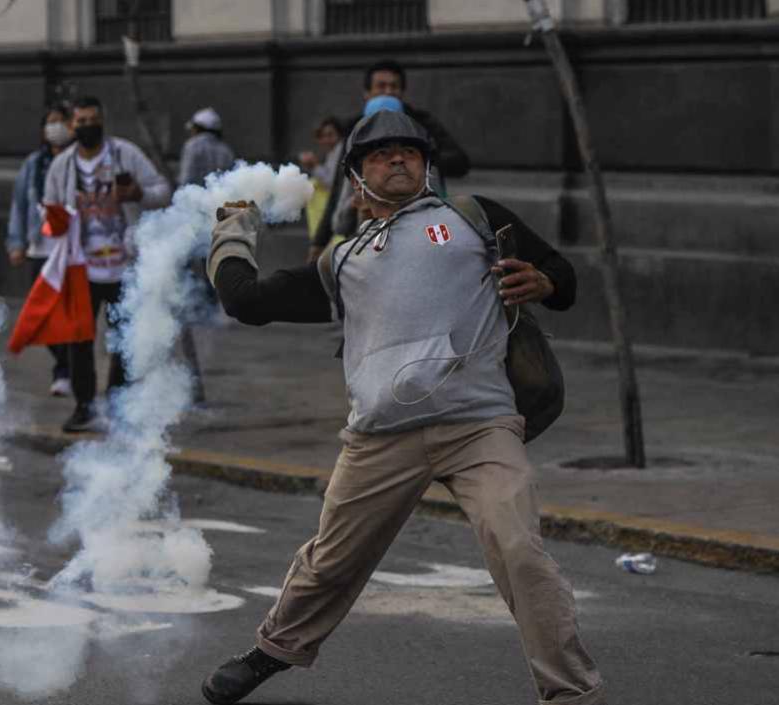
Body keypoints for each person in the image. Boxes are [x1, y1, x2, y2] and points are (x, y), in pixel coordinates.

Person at [200, 110, 602, 705]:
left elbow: (563, 276)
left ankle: (570, 692)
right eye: (381, 153)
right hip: (380, 437)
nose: (397, 158)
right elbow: (247, 302)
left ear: (426, 166)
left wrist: (541, 282)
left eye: (409, 152)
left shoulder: (471, 217)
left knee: (520, 551)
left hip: (480, 425)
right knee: (331, 562)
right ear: (357, 181)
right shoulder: (343, 261)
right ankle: (273, 650)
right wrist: (233, 231)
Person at [42, 95, 170, 432]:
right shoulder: (62, 166)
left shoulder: (125, 154)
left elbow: (163, 190)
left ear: (103, 120)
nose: (86, 126)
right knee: (79, 340)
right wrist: (56, 228)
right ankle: (84, 406)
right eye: (80, 121)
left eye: (92, 120)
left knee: (124, 338)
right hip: (80, 267)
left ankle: (118, 404)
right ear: (72, 126)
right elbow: (49, 208)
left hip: (123, 265)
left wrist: (138, 195)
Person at [309, 59, 470, 261]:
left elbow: (460, 162)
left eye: (394, 86)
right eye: (381, 86)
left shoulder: (422, 126)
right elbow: (338, 198)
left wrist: (423, 160)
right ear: (367, 93)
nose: (397, 159)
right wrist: (319, 242)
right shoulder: (355, 131)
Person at [6, 103, 74, 397]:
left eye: (61, 121)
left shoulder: (77, 160)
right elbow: (20, 204)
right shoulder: (34, 164)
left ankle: (66, 372)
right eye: (50, 122)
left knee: (69, 315)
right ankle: (64, 363)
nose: (55, 127)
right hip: (39, 248)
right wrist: (17, 242)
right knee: (42, 316)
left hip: (69, 250)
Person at [300, 116, 344, 237]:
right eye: (323, 136)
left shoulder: (340, 151)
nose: (326, 140)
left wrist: (314, 166)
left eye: (330, 135)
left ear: (339, 134)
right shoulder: (333, 152)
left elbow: (331, 183)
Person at [178, 107, 235, 187]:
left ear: (198, 128)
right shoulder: (226, 150)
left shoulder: (192, 146)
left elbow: (186, 178)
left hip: (193, 197)